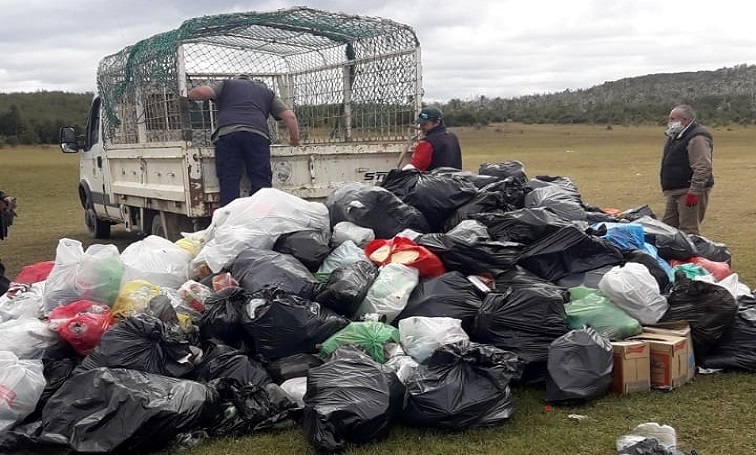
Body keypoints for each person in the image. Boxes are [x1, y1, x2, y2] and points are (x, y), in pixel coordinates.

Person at [188, 75, 300, 206]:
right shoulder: (266, 92)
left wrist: (187, 95)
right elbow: (290, 117)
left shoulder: (227, 84)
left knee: (229, 179)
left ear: (237, 79)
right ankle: (260, 216)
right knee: (261, 181)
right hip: (257, 135)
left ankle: (230, 218)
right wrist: (294, 141)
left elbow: (203, 92)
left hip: (228, 135)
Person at [659, 104, 714, 235]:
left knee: (689, 230)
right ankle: (672, 255)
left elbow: (703, 166)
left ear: (685, 120)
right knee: (667, 228)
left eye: (673, 119)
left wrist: (694, 191)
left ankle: (692, 255)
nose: (670, 122)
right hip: (676, 190)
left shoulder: (697, 137)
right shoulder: (677, 135)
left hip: (689, 190)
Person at [404, 107, 462, 171]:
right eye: (420, 124)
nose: (421, 127)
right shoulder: (452, 136)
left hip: (434, 180)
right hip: (454, 179)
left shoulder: (428, 142)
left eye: (424, 124)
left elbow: (414, 168)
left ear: (437, 122)